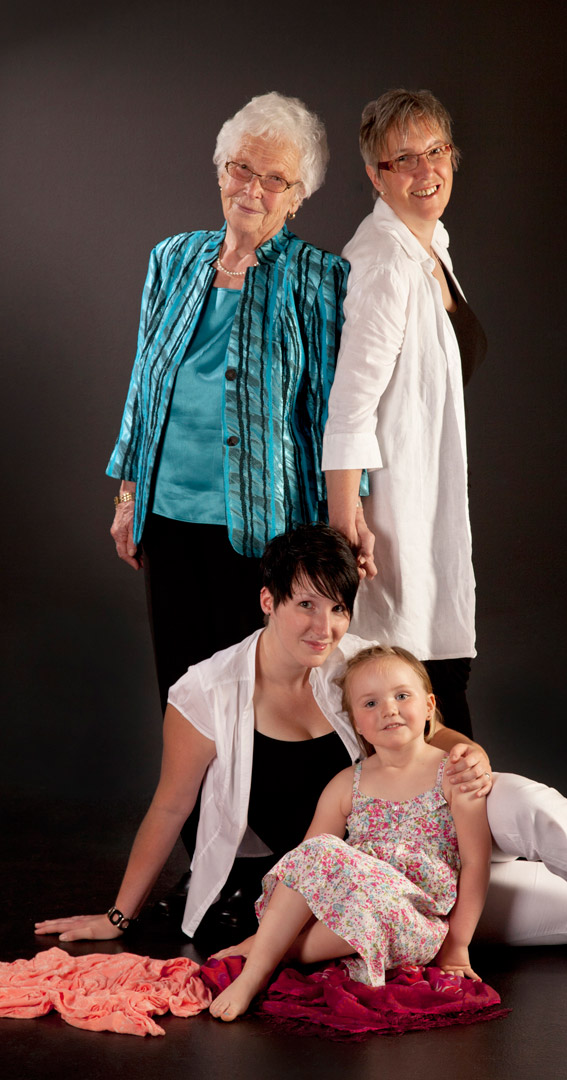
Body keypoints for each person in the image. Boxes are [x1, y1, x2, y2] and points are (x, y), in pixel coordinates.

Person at [34, 526, 489, 945]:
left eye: (338, 608)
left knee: (517, 840)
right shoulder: (206, 691)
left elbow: (431, 731)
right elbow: (171, 806)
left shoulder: (359, 663)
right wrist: (118, 916)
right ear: (268, 601)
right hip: (309, 881)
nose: (324, 628)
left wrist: (473, 754)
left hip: (403, 854)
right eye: (306, 605)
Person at [107, 92, 350, 719]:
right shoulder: (172, 259)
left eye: (275, 179)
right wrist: (128, 498)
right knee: (184, 694)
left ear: (298, 196)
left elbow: (336, 411)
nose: (253, 189)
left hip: (267, 528)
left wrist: (343, 523)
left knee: (258, 702)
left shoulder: (319, 277)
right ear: (221, 170)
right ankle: (190, 793)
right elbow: (143, 386)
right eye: (241, 168)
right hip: (167, 517)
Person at [209, 645, 492, 1022]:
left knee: (353, 897)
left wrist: (457, 946)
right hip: (354, 908)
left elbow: (475, 862)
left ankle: (270, 952)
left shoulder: (454, 775)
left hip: (414, 920)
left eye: (402, 696)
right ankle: (255, 972)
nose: (389, 709)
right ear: (357, 722)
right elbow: (303, 867)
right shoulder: (347, 783)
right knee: (318, 849)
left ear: (428, 706)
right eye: (371, 703)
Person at [323, 88, 487, 733]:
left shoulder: (429, 244)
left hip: (427, 502)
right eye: (404, 159)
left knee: (431, 684)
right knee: (412, 688)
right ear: (376, 175)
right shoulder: (385, 263)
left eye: (436, 151)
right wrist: (346, 528)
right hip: (393, 520)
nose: (426, 170)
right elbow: (348, 408)